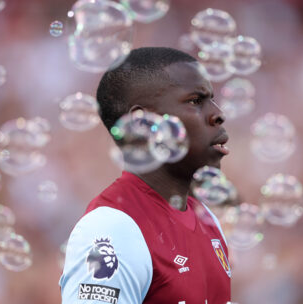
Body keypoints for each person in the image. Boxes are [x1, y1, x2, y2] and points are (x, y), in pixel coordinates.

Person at [59, 47, 232, 304]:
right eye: (196, 100)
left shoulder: (208, 221)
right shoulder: (112, 230)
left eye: (212, 99)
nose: (218, 114)